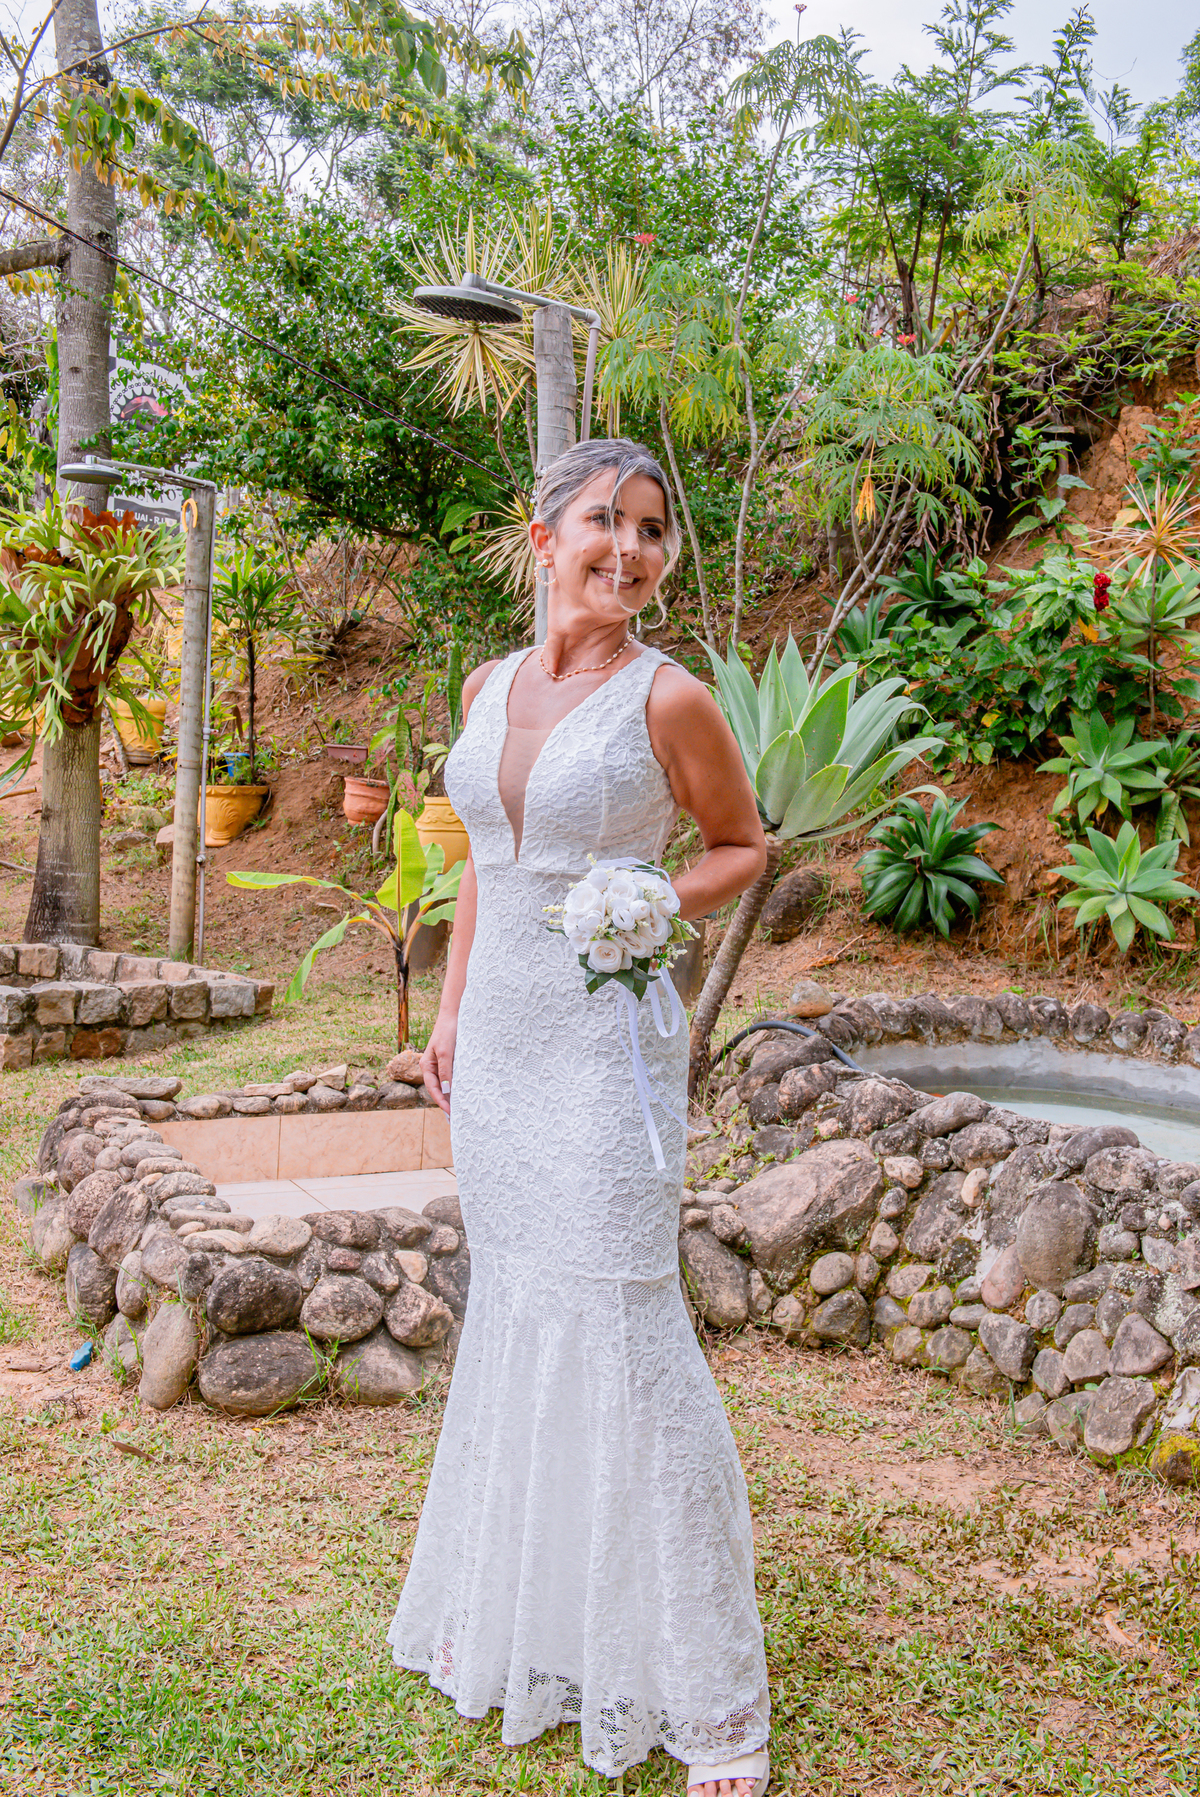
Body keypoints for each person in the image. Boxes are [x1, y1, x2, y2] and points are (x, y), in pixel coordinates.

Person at [387, 437, 772, 1797]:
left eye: (654, 528)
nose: (633, 548)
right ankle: (527, 1623)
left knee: (620, 1315)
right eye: (607, 519)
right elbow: (484, 872)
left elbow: (742, 845)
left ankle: (709, 1692)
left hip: (606, 1048)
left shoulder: (669, 698)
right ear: (543, 537)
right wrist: (449, 1015)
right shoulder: (488, 686)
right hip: (500, 1046)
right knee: (519, 1309)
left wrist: (648, 897)